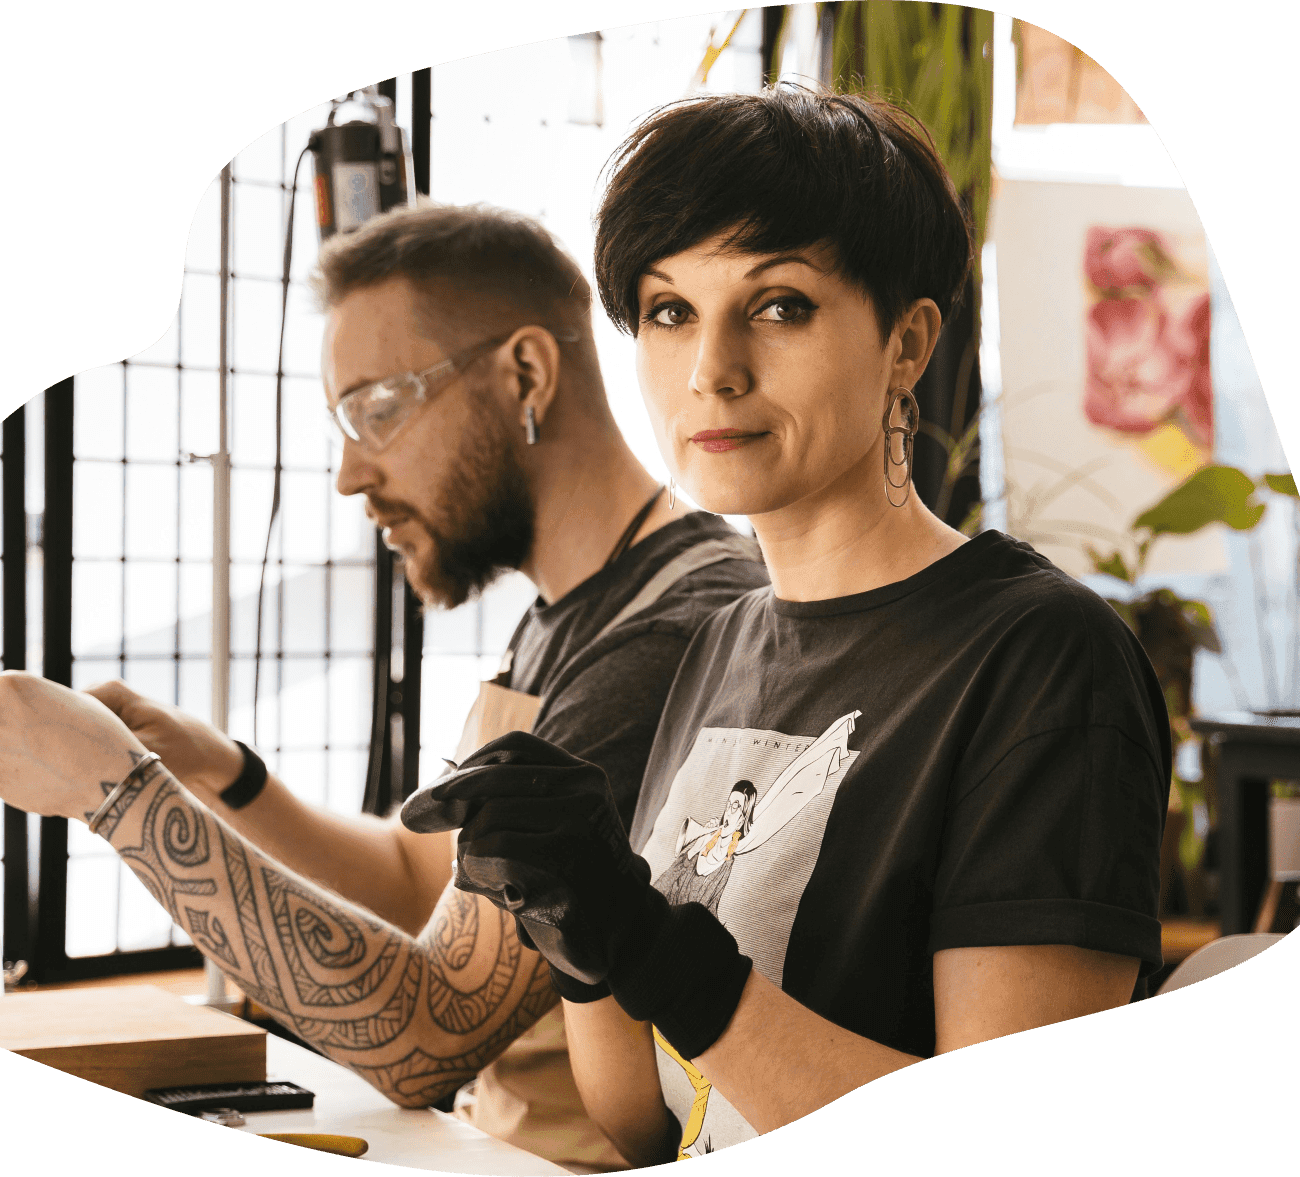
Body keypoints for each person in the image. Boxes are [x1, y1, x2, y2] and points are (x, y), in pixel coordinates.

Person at [400, 85, 1171, 1165]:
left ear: (906, 344)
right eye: (669, 311)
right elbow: (645, 1119)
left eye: (778, 305)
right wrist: (576, 921)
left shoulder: (1040, 661)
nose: (710, 369)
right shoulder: (721, 642)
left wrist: (651, 945)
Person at [0, 203, 766, 1172]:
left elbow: (425, 1031)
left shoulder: (663, 637)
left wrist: (119, 793)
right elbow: (429, 883)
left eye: (376, 408)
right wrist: (227, 775)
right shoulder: (565, 611)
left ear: (525, 375)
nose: (347, 473)